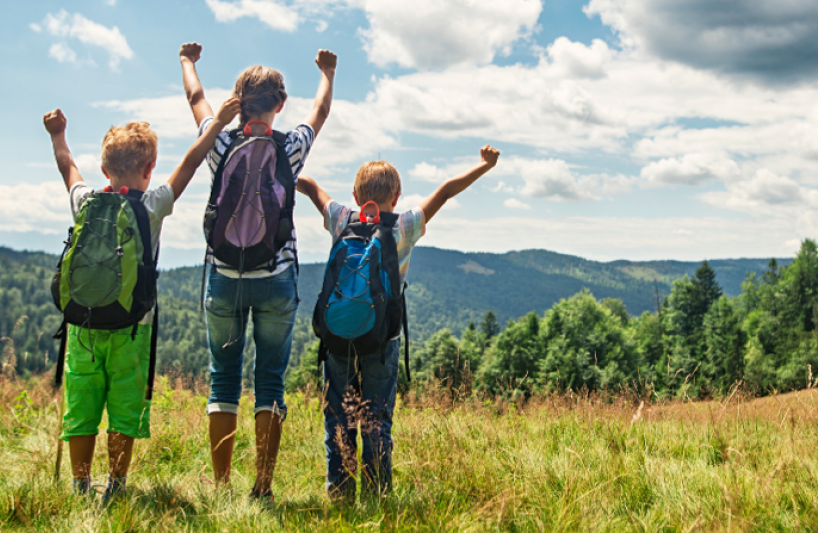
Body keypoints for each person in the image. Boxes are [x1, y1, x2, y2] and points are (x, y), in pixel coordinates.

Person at [42, 97, 241, 498]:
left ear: (104, 170)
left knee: (81, 407)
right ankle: (115, 486)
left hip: (82, 326)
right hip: (134, 329)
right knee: (123, 408)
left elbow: (67, 166)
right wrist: (218, 121)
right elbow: (189, 164)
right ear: (150, 170)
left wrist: (58, 134)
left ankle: (81, 486)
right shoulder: (152, 205)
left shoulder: (85, 201)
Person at [297, 145, 500, 502]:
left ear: (356, 195)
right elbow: (446, 190)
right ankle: (377, 495)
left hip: (337, 337)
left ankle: (340, 493)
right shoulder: (404, 226)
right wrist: (484, 166)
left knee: (339, 420)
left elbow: (311, 186)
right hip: (380, 341)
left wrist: (274, 165)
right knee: (376, 418)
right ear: (398, 195)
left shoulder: (342, 219)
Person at [179, 41, 337, 501]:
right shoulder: (290, 147)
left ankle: (223, 485)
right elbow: (321, 112)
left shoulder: (219, 140)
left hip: (225, 278)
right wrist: (326, 70)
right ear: (280, 104)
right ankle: (262, 487)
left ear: (237, 101)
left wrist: (188, 61)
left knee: (222, 377)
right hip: (276, 277)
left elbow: (195, 100)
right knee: (270, 380)